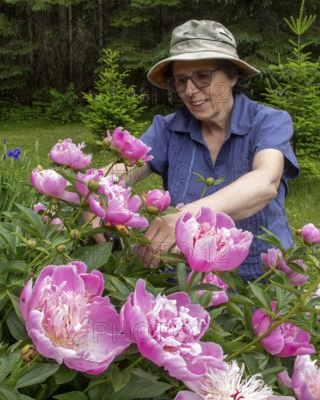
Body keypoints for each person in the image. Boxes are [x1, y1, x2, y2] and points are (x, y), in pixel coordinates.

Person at [107, 19, 299, 282]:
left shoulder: (267, 122)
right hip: (187, 285)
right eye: (181, 80)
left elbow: (266, 181)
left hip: (259, 284)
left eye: (203, 76)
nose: (190, 90)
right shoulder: (168, 129)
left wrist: (185, 218)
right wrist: (93, 192)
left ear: (232, 75)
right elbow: (120, 172)